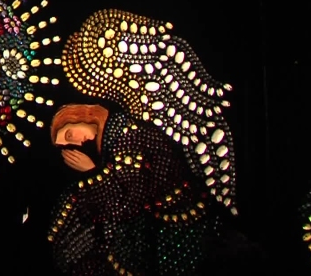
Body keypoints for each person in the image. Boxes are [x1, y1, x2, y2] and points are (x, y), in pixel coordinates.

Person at [48, 103, 223, 275]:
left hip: (181, 226)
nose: (77, 143)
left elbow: (126, 203)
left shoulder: (127, 136)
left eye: (70, 135)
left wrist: (91, 172)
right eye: (68, 145)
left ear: (81, 117)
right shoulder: (114, 138)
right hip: (162, 226)